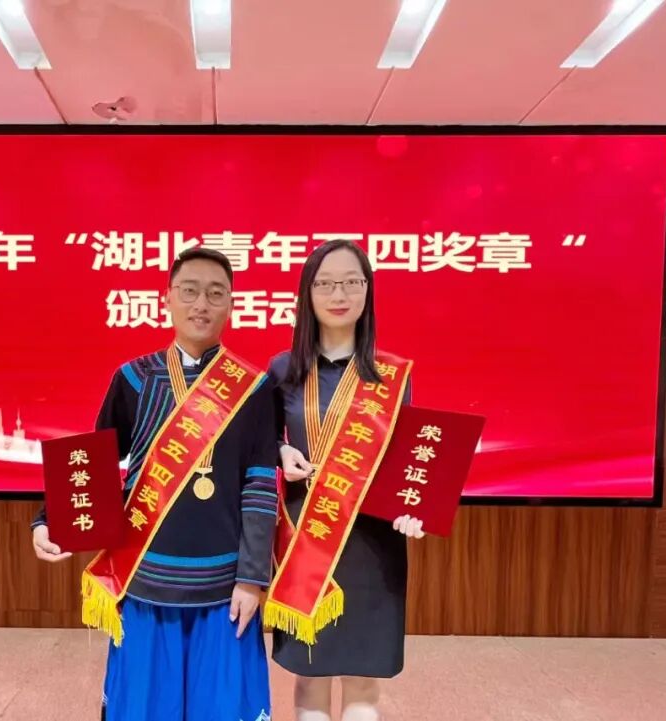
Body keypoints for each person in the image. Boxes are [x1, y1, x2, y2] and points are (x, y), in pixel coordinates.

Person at [30, 248, 276, 721]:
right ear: (167, 298)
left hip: (225, 588)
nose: (201, 304)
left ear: (231, 304)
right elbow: (94, 467)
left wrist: (252, 578)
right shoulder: (133, 379)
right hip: (144, 579)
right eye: (189, 291)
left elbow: (260, 484)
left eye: (215, 293)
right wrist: (49, 520)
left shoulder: (253, 388)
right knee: (144, 709)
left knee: (223, 710)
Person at [264, 239, 426, 721]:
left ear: (367, 291)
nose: (339, 294)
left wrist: (413, 506)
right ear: (308, 293)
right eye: (326, 283)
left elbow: (405, 458)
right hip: (307, 533)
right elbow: (263, 441)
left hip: (373, 540)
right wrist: (281, 451)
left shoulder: (392, 374)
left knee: (362, 678)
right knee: (310, 674)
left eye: (351, 282)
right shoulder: (283, 369)